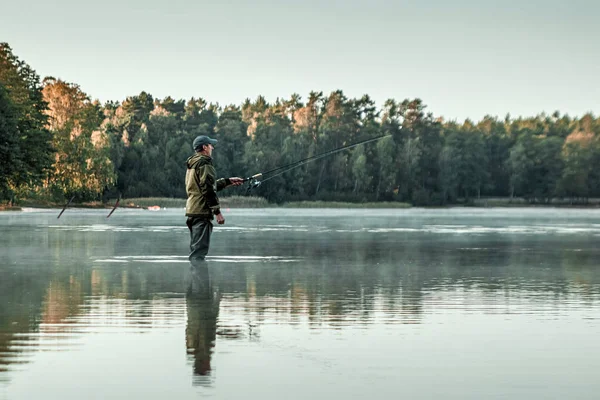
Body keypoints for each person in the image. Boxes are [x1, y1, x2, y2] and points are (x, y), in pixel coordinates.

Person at [185, 135, 243, 261]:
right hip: (202, 212)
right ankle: (199, 280)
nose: (212, 148)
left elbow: (203, 186)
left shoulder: (193, 164)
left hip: (193, 211)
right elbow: (208, 189)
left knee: (196, 251)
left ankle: (195, 280)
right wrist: (217, 212)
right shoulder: (205, 164)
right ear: (205, 147)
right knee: (198, 254)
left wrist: (228, 181)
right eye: (210, 145)